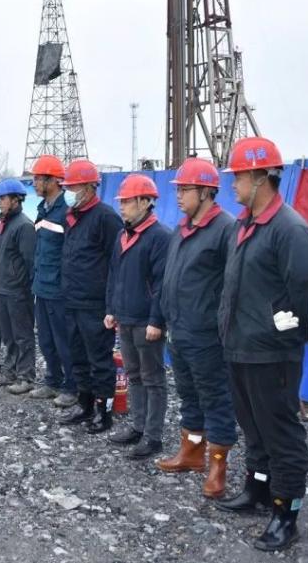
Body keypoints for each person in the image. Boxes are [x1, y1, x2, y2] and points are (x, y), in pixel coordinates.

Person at [216, 136, 308, 553]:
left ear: (261, 178)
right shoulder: (244, 224)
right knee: (253, 428)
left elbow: (307, 295)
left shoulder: (289, 230)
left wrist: (282, 331)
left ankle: (286, 512)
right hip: (240, 346)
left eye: (239, 176)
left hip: (271, 353)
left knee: (281, 433)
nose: (233, 184)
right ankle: (257, 488)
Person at [157, 158, 237, 500]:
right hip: (179, 330)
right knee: (188, 395)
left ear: (206, 192)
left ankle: (218, 466)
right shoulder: (182, 228)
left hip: (206, 335)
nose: (178, 196)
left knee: (215, 398)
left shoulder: (225, 229)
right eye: (177, 189)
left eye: (185, 189)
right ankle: (191, 452)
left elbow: (233, 286)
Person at [105, 174, 171, 459]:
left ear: (145, 202)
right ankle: (138, 426)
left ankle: (153, 436)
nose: (122, 206)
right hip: (126, 318)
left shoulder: (159, 237)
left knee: (152, 378)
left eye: (128, 201)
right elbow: (114, 275)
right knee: (133, 375)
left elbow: (161, 284)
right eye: (121, 201)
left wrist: (157, 321)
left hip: (146, 322)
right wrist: (111, 309)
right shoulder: (123, 235)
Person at [58, 160, 123, 433]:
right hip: (72, 300)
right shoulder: (72, 216)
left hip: (94, 304)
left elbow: (117, 263)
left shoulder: (105, 218)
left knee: (99, 360)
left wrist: (112, 305)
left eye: (73, 187)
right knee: (78, 357)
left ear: (89, 187)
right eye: (67, 187)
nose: (68, 192)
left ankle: (103, 412)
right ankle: (84, 404)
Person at [28, 155, 77, 407]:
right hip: (42, 285)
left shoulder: (66, 211)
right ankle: (52, 380)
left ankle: (71, 386)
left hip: (58, 289)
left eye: (39, 178)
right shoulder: (43, 210)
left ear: (54, 181)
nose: (35, 183)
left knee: (63, 339)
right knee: (46, 339)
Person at [0, 178, 37, 392]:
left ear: (16, 200)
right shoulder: (5, 224)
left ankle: (26, 376)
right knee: (8, 335)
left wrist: (25, 288)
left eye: (3, 198)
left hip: (18, 291)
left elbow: (30, 261)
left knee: (22, 335)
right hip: (3, 288)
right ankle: (10, 370)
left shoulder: (24, 226)